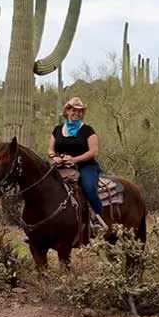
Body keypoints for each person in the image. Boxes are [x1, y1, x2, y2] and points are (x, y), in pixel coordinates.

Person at [49, 97, 104, 226]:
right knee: (42, 186)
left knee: (89, 188)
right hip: (61, 167)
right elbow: (50, 150)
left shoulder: (87, 130)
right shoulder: (57, 130)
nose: (76, 113)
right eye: (74, 110)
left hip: (85, 166)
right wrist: (54, 157)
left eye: (80, 111)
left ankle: (97, 218)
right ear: (67, 111)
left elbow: (93, 151)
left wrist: (74, 160)